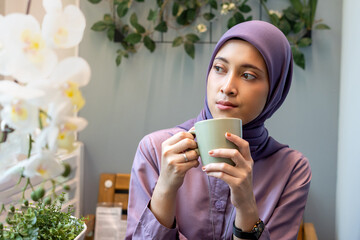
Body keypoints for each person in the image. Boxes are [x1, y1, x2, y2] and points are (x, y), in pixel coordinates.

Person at [125, 20, 311, 240]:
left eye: (248, 75)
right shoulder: (156, 151)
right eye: (219, 69)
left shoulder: (292, 170)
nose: (227, 87)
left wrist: (246, 207)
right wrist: (165, 188)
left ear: (275, 89)